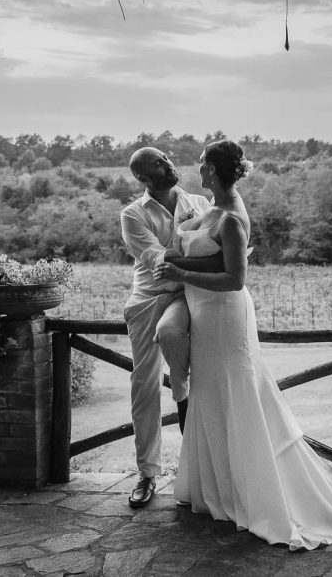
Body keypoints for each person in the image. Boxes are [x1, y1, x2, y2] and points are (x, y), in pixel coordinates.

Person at [153, 140, 332, 550]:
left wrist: (182, 272)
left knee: (235, 391)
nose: (198, 168)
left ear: (215, 171)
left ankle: (254, 493)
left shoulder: (233, 218)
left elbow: (235, 277)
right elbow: (214, 259)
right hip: (203, 312)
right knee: (211, 391)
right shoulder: (211, 209)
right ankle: (217, 487)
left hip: (224, 314)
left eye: (203, 163)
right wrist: (180, 264)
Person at [120, 147, 215, 509]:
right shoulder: (133, 214)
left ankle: (198, 468)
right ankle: (147, 475)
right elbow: (155, 259)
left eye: (166, 157)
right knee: (143, 386)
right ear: (143, 178)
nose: (169, 164)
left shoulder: (198, 202)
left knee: (186, 359)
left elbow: (211, 247)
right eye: (159, 163)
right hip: (147, 299)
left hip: (187, 296)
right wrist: (194, 246)